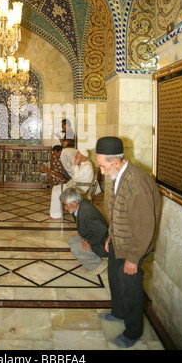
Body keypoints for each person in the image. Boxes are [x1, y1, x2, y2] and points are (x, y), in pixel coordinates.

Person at [95, 136, 160, 348]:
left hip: (133, 248)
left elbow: (144, 226)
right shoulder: (119, 176)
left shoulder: (137, 181)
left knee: (131, 288)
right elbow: (117, 211)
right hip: (118, 242)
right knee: (115, 279)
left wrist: (133, 258)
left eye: (103, 167)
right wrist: (111, 236)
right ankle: (118, 312)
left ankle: (133, 331)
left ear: (114, 162)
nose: (102, 172)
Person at [61, 187, 109, 274]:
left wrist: (90, 241)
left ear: (74, 203)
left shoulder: (86, 212)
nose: (65, 208)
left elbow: (102, 229)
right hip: (97, 238)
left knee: (76, 249)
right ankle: (94, 258)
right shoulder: (81, 206)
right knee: (72, 239)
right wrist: (81, 233)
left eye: (66, 204)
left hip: (104, 244)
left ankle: (99, 265)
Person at [49, 149, 94, 220]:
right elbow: (73, 171)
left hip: (79, 188)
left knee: (56, 192)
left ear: (82, 156)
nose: (75, 156)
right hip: (74, 185)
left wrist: (76, 164)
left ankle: (56, 215)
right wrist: (76, 163)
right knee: (55, 188)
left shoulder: (87, 166)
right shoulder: (83, 164)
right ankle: (57, 212)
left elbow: (76, 177)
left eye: (77, 155)